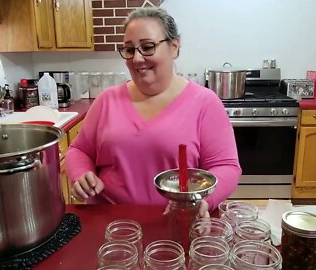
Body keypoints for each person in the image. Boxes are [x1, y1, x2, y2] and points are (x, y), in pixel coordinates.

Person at [65, 7, 241, 218]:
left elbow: (226, 166)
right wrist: (81, 174)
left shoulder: (204, 103)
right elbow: (79, 150)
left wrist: (203, 200)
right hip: (110, 225)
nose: (137, 59)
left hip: (177, 222)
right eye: (129, 50)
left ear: (174, 47)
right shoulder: (106, 100)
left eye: (148, 47)